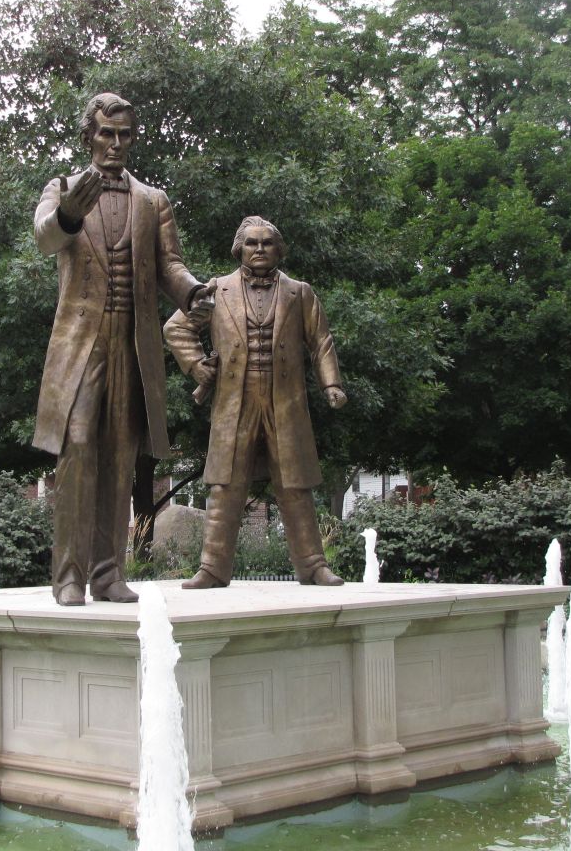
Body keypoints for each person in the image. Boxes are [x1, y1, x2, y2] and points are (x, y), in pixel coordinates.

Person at [32, 93, 208, 607]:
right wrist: (68, 212)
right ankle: (68, 575)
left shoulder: (153, 201)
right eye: (106, 133)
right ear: (89, 135)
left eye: (124, 134)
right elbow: (45, 238)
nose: (115, 143)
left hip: (133, 342)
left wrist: (195, 292)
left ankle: (108, 575)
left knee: (119, 457)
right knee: (79, 446)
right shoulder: (62, 188)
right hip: (82, 342)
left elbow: (170, 265)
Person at [164, 215, 346, 588]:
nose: (259, 249)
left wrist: (331, 384)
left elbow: (321, 342)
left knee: (295, 484)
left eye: (267, 243)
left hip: (286, 401)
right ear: (239, 249)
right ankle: (213, 569)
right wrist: (198, 366)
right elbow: (175, 327)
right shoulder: (216, 289)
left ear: (279, 250)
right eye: (252, 243)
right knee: (225, 484)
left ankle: (312, 566)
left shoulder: (300, 292)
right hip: (235, 400)